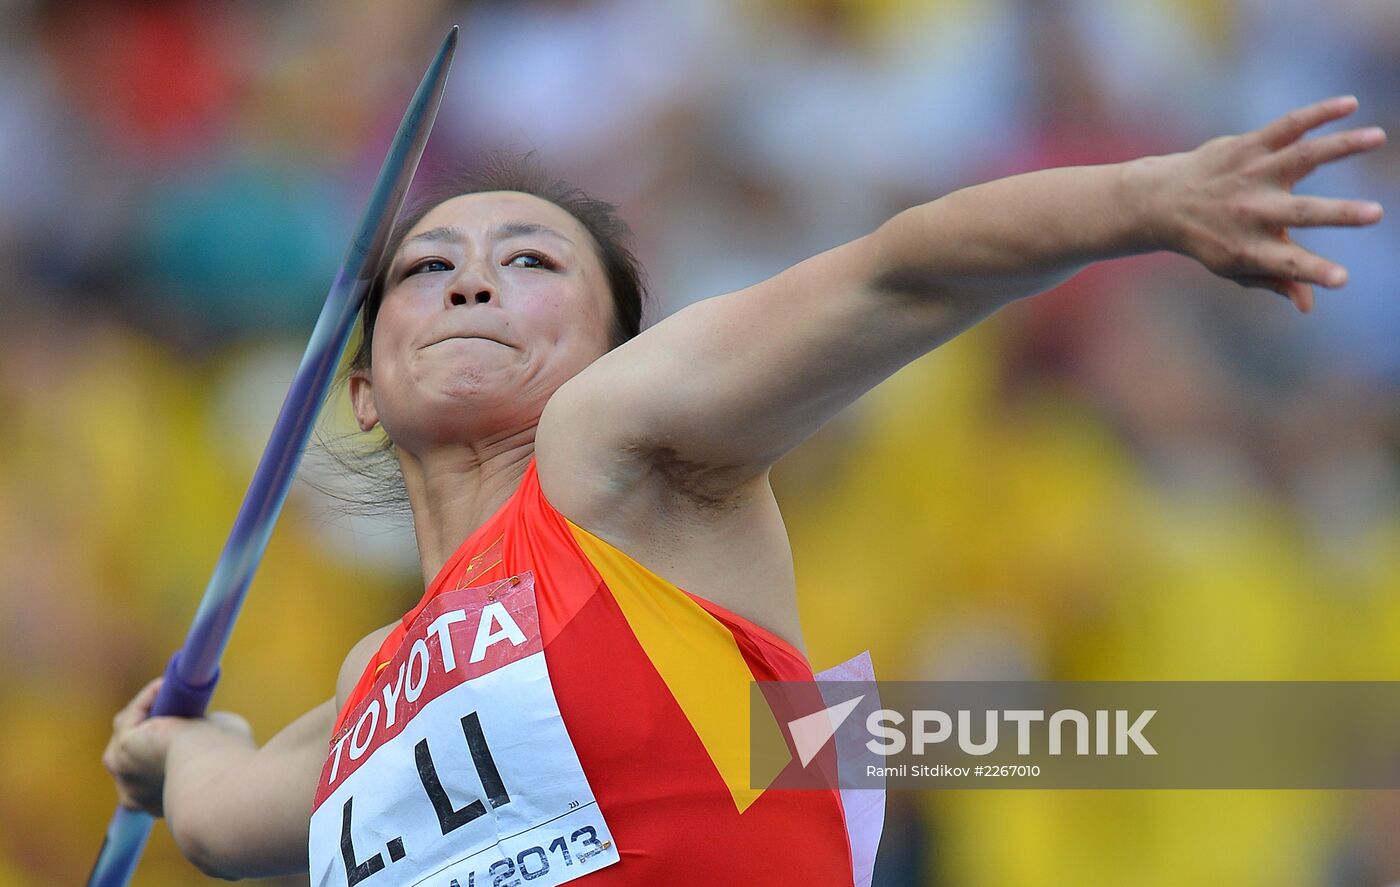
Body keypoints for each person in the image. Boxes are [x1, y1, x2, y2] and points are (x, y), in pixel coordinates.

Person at [104, 96, 1386, 884]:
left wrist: (1142, 199)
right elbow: (226, 819)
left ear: (617, 355)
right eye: (427, 265)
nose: (471, 280)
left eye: (529, 258)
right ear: (364, 385)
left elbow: (895, 276)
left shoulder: (614, 460)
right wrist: (167, 751)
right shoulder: (370, 682)